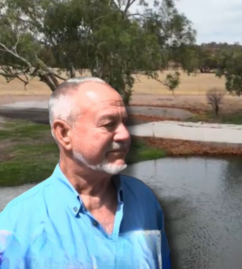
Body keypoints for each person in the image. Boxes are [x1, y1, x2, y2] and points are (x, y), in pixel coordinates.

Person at [0, 77, 171, 268]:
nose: (125, 135)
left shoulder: (144, 199)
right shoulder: (17, 224)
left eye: (124, 122)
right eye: (108, 124)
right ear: (64, 133)